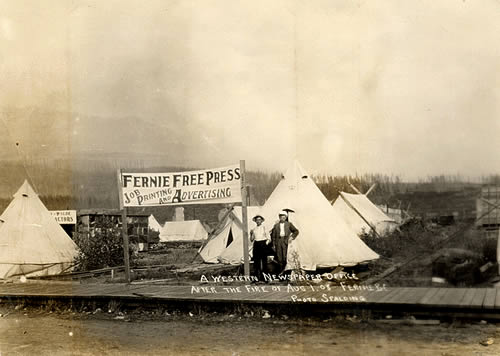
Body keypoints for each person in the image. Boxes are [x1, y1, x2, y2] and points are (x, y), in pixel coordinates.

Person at [250, 214, 271, 282]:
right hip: (256, 244)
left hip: (263, 243)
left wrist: (265, 243)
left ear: (262, 221)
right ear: (255, 221)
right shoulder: (254, 229)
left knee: (264, 261)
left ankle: (265, 278)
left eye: (259, 220)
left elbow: (269, 238)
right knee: (256, 262)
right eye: (257, 220)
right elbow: (252, 239)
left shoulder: (264, 227)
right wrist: (251, 234)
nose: (258, 221)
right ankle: (256, 278)